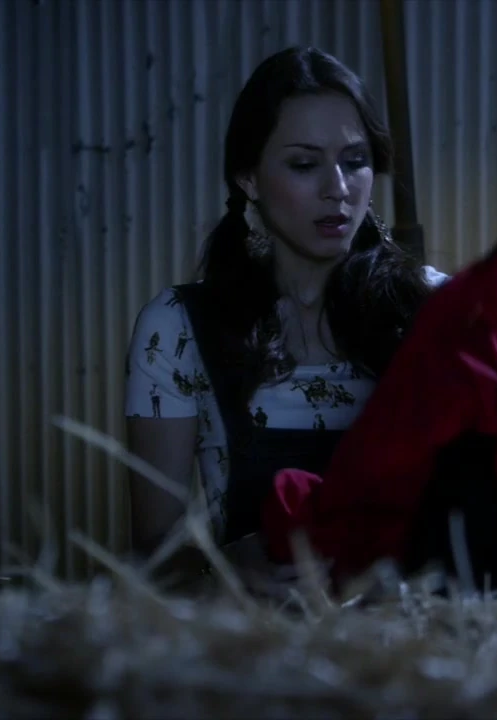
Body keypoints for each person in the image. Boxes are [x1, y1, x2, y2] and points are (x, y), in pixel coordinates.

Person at [123, 46, 448, 591]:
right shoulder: (179, 329)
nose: (337, 189)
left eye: (355, 161)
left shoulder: (436, 310)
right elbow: (154, 558)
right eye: (304, 164)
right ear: (249, 178)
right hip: (262, 634)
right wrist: (225, 572)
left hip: (413, 630)